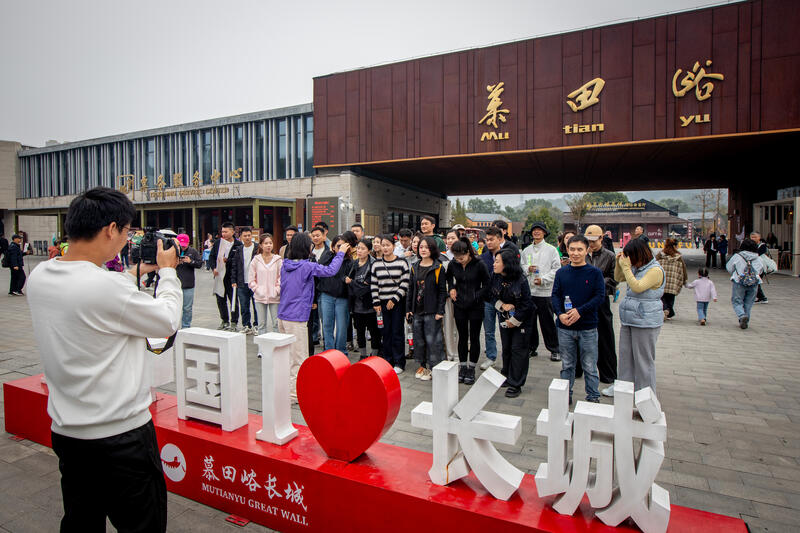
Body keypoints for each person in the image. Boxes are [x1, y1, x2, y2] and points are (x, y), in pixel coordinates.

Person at [27, 187, 181, 531]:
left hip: (68, 433)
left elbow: (91, 289)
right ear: (111, 229)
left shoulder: (40, 276)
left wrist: (136, 271)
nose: (127, 240)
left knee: (81, 521)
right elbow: (168, 320)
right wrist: (168, 272)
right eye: (126, 232)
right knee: (142, 524)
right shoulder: (107, 288)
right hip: (121, 436)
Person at [279, 233, 349, 401]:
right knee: (299, 357)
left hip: (283, 315)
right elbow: (330, 271)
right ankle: (294, 394)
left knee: (286, 356)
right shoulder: (307, 266)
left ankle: (287, 388)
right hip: (297, 317)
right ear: (305, 247)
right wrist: (340, 253)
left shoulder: (285, 264)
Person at [551, 235, 605, 404]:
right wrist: (559, 313)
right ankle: (565, 395)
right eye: (572, 249)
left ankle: (593, 396)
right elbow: (555, 295)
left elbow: (599, 297)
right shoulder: (561, 272)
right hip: (565, 327)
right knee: (567, 364)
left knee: (589, 365)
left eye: (580, 249)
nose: (575, 253)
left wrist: (580, 311)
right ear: (567, 250)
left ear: (587, 250)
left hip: (587, 327)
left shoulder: (595, 273)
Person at [615, 237, 665, 394]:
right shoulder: (637, 268)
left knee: (643, 361)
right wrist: (619, 264)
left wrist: (626, 267)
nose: (629, 261)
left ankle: (646, 396)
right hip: (629, 318)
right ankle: (624, 392)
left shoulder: (655, 270)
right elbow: (618, 278)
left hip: (645, 320)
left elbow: (637, 287)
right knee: (625, 359)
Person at [488, 248, 533, 398]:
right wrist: (502, 305)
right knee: (506, 347)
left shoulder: (521, 280)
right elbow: (490, 295)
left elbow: (526, 304)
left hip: (522, 320)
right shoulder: (495, 276)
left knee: (518, 350)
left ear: (507, 264)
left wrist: (515, 320)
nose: (494, 264)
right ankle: (506, 375)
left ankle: (516, 383)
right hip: (504, 317)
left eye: (497, 262)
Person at [447, 238, 489, 385]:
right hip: (459, 304)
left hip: (476, 305)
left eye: (462, 258)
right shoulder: (453, 264)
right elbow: (448, 277)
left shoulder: (479, 264)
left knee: (474, 336)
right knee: (462, 336)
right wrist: (452, 288)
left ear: (468, 253)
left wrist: (476, 296)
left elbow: (487, 284)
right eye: (456, 258)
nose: (459, 261)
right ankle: (463, 366)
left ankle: (471, 367)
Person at [584, 225, 618, 393]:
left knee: (605, 336)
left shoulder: (610, 256)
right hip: (582, 300)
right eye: (588, 241)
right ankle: (579, 369)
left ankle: (608, 373)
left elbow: (614, 279)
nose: (591, 244)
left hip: (601, 300)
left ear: (601, 239)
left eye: (594, 241)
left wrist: (596, 283)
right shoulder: (582, 254)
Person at [520, 221, 562, 361]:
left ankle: (554, 349)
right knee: (530, 322)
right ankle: (531, 347)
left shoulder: (551, 250)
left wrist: (543, 279)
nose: (536, 232)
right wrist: (528, 269)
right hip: (530, 292)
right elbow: (522, 266)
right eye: (534, 230)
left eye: (539, 230)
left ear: (544, 232)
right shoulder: (526, 250)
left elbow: (556, 269)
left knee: (547, 322)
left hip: (545, 292)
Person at [406, 236, 447, 380]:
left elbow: (442, 291)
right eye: (421, 247)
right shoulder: (414, 267)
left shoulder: (438, 267)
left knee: (433, 341)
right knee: (419, 340)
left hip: (432, 311)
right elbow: (411, 289)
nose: (423, 250)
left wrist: (440, 311)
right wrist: (408, 309)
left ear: (433, 249)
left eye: (427, 247)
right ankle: (422, 366)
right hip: (417, 310)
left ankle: (435, 367)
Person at [371, 235, 410, 374]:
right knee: (385, 332)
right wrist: (376, 301)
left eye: (388, 245)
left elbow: (405, 283)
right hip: (382, 303)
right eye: (383, 245)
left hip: (397, 303)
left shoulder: (402, 262)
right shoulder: (376, 264)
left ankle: (399, 362)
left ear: (394, 246)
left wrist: (394, 299)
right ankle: (388, 360)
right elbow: (374, 284)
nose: (385, 248)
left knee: (397, 332)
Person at [318, 233, 354, 354]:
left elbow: (348, 277)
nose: (341, 248)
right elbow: (321, 264)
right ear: (333, 247)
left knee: (342, 326)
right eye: (338, 246)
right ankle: (329, 350)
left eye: (344, 246)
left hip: (342, 297)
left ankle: (341, 351)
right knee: (327, 324)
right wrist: (334, 253)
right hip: (327, 295)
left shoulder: (349, 261)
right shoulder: (328, 256)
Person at [346, 238, 381, 359]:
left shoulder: (373, 264)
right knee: (359, 331)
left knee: (374, 332)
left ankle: (374, 355)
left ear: (369, 251)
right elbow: (348, 281)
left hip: (370, 304)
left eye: (363, 248)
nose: (359, 251)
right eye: (358, 248)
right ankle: (363, 354)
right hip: (356, 305)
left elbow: (369, 286)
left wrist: (353, 283)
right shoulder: (354, 263)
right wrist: (358, 284)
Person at [479, 226, 504, 370]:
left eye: (491, 239)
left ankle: (507, 357)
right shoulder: (483, 258)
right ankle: (491, 356)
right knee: (488, 331)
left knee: (505, 330)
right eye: (487, 240)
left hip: (504, 300)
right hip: (488, 299)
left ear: (499, 239)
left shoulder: (507, 256)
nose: (488, 242)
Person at [726, 238, 765, 330]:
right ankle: (745, 320)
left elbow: (729, 268)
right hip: (754, 283)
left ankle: (742, 316)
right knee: (748, 303)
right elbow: (761, 270)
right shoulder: (759, 258)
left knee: (737, 301)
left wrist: (736, 273)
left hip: (739, 281)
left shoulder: (737, 256)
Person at [210, 222, 242, 331]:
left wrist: (228, 260)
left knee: (233, 300)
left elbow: (239, 261)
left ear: (232, 232)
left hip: (232, 277)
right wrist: (214, 268)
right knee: (220, 300)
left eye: (226, 231)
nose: (223, 234)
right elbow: (212, 257)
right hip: (219, 276)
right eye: (222, 232)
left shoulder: (238, 245)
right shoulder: (218, 243)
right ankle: (224, 320)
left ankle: (234, 322)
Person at [249, 233, 282, 335]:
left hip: (275, 297)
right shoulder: (256, 260)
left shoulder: (278, 260)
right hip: (260, 297)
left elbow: (281, 277)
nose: (268, 245)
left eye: (270, 243)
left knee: (276, 323)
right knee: (261, 324)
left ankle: (277, 344)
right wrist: (257, 290)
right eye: (266, 243)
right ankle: (262, 344)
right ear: (261, 245)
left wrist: (277, 290)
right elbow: (251, 279)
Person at [229, 227, 259, 334]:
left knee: (257, 306)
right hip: (242, 282)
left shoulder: (257, 248)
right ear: (240, 237)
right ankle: (246, 325)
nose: (247, 238)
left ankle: (257, 325)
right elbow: (234, 266)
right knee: (244, 306)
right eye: (245, 236)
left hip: (255, 282)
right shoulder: (238, 249)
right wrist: (233, 280)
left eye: (249, 235)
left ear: (252, 236)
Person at [655, 238, 688, 320]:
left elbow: (653, 264)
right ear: (674, 246)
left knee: (662, 297)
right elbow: (683, 269)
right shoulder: (678, 257)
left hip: (662, 281)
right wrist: (685, 280)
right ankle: (669, 312)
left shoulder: (660, 255)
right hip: (673, 282)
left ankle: (665, 309)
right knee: (671, 298)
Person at [175, 233, 203, 328]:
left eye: (184, 245)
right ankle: (173, 327)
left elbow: (199, 264)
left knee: (187, 308)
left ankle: (186, 326)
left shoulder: (193, 251)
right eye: (181, 245)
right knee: (174, 307)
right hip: (175, 284)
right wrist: (176, 262)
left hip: (188, 284)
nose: (182, 247)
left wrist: (191, 261)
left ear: (188, 243)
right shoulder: (173, 251)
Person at [751, 232, 769, 304]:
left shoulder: (763, 245)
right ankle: (761, 297)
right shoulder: (750, 244)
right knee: (755, 282)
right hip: (753, 266)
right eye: (752, 237)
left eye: (755, 237)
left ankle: (762, 298)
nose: (753, 239)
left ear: (759, 237)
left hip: (760, 266)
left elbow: (757, 254)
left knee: (756, 282)